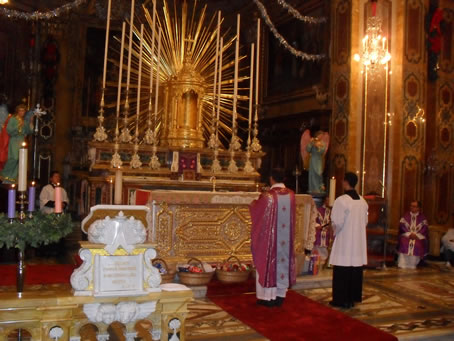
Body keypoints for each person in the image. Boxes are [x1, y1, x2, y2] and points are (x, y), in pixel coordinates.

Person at [249, 168, 296, 307]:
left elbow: (257, 210)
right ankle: (280, 295)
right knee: (282, 262)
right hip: (285, 241)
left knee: (267, 261)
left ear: (271, 179)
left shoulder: (267, 196)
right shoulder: (291, 195)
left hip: (270, 241)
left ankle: (267, 297)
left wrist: (252, 205)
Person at [329, 172, 368, 309]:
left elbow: (337, 222)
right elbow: (365, 222)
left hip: (345, 241)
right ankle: (353, 297)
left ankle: (341, 299)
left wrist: (334, 230)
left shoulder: (341, 200)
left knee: (343, 269)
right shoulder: (363, 201)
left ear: (345, 182)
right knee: (354, 269)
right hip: (357, 242)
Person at [0, 104, 36, 184]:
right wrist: (18, 127)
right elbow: (9, 130)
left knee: (20, 159)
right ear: (18, 111)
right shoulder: (13, 119)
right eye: (21, 110)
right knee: (14, 158)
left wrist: (31, 122)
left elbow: (29, 131)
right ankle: (4, 173)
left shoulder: (24, 121)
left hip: (22, 140)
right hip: (14, 140)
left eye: (23, 111)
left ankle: (12, 177)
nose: (22, 112)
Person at [397, 201, 429, 269]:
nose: (412, 208)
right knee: (404, 242)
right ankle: (402, 264)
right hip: (406, 236)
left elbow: (424, 229)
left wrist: (416, 235)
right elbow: (402, 227)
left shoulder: (423, 218)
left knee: (417, 244)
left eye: (414, 206)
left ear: (418, 208)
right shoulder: (405, 216)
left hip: (418, 237)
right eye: (411, 206)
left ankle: (412, 264)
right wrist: (409, 234)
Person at [300, 130, 329, 194]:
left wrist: (318, 147)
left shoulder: (322, 143)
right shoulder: (312, 141)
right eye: (320, 135)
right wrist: (311, 144)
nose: (321, 137)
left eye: (322, 136)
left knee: (319, 174)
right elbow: (308, 149)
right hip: (313, 160)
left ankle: (319, 188)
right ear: (317, 135)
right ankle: (313, 189)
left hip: (318, 160)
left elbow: (322, 151)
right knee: (312, 175)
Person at [313, 196, 332, 265]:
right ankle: (317, 261)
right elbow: (312, 221)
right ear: (325, 201)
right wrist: (317, 225)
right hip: (319, 231)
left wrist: (330, 226)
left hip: (328, 232)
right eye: (328, 200)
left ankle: (325, 262)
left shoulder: (331, 211)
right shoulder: (317, 210)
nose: (329, 202)